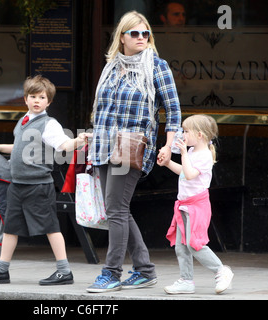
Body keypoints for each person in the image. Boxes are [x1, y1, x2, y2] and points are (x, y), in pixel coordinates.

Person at [86, 11, 181, 293]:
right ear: (122, 38)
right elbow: (101, 109)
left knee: (115, 209)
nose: (141, 38)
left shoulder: (157, 66)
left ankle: (111, 273)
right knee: (117, 209)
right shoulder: (111, 67)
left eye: (145, 33)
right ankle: (145, 269)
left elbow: (173, 110)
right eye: (135, 33)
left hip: (133, 144)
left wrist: (168, 146)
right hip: (103, 143)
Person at [0, 75, 89, 286]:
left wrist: (78, 141)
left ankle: (64, 271)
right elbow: (19, 147)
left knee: (51, 227)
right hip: (17, 184)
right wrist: (0, 147)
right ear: (25, 99)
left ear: (49, 102)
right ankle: (2, 270)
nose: (37, 100)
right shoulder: (22, 121)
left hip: (38, 185)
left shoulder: (49, 124)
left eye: (42, 97)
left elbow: (63, 145)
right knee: (10, 227)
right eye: (33, 96)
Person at [157, 114, 234, 294]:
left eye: (186, 131)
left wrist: (183, 153)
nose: (183, 135)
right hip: (184, 205)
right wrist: (168, 163)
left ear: (199, 135)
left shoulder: (205, 155)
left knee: (194, 243)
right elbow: (184, 172)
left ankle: (221, 270)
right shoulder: (192, 152)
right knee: (181, 246)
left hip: (197, 206)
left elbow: (190, 174)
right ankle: (186, 280)